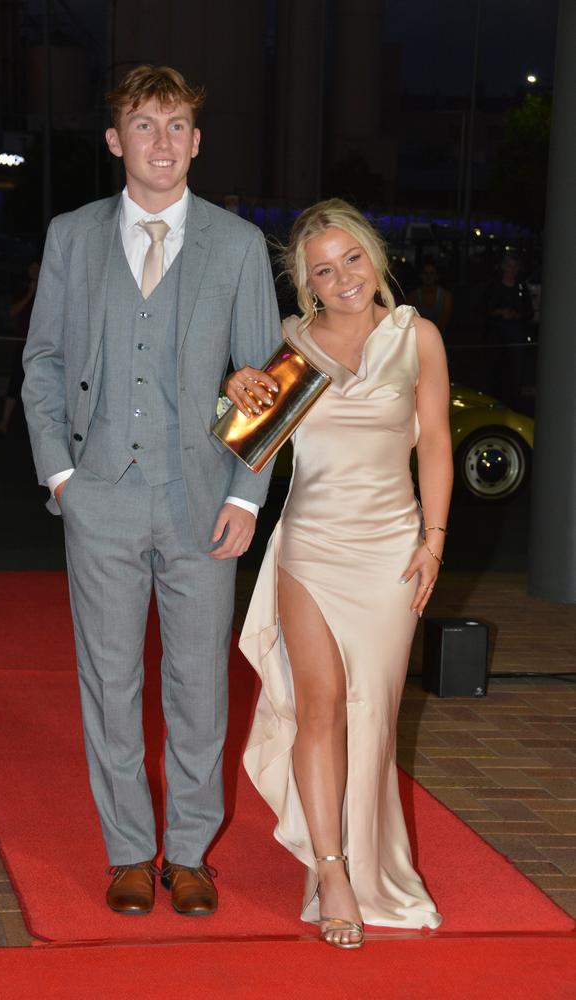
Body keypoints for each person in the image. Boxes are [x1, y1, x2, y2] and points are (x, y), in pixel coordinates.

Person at [22, 65, 281, 918]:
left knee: (200, 687)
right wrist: (61, 474)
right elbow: (45, 363)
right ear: (115, 138)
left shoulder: (238, 246)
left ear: (197, 141)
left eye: (176, 126)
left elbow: (263, 385)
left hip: (201, 501)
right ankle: (131, 851)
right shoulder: (71, 236)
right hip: (98, 495)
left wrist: (246, 497)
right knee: (109, 681)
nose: (161, 142)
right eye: (144, 125)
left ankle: (192, 853)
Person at [230, 199, 453, 948]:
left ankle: (368, 860)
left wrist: (434, 539)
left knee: (374, 715)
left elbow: (437, 447)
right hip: (310, 547)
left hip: (391, 550)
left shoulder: (416, 337)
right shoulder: (294, 348)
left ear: (374, 256)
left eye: (351, 258)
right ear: (308, 285)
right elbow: (243, 442)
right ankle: (330, 870)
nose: (343, 277)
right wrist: (234, 389)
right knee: (321, 707)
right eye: (324, 270)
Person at [483, 252, 534, 406]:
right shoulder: (494, 285)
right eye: (509, 266)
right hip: (497, 336)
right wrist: (500, 312)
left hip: (516, 336)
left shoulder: (520, 286)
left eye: (515, 267)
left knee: (516, 371)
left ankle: (513, 402)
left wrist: (517, 314)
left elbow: (529, 311)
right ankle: (496, 400)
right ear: (503, 267)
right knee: (497, 370)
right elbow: (485, 309)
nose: (512, 270)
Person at [0, 260, 40, 435]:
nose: (34, 270)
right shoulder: (23, 290)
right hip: (24, 343)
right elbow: (13, 312)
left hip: (43, 344)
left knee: (41, 384)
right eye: (31, 267)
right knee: (16, 382)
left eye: (37, 267)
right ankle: (4, 421)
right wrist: (30, 293)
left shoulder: (51, 286)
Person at [406, 256, 453, 334]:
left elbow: (444, 322)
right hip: (418, 335)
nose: (428, 276)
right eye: (425, 273)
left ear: (436, 276)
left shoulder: (446, 296)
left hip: (439, 335)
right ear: (421, 276)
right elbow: (409, 320)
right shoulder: (413, 296)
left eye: (432, 273)